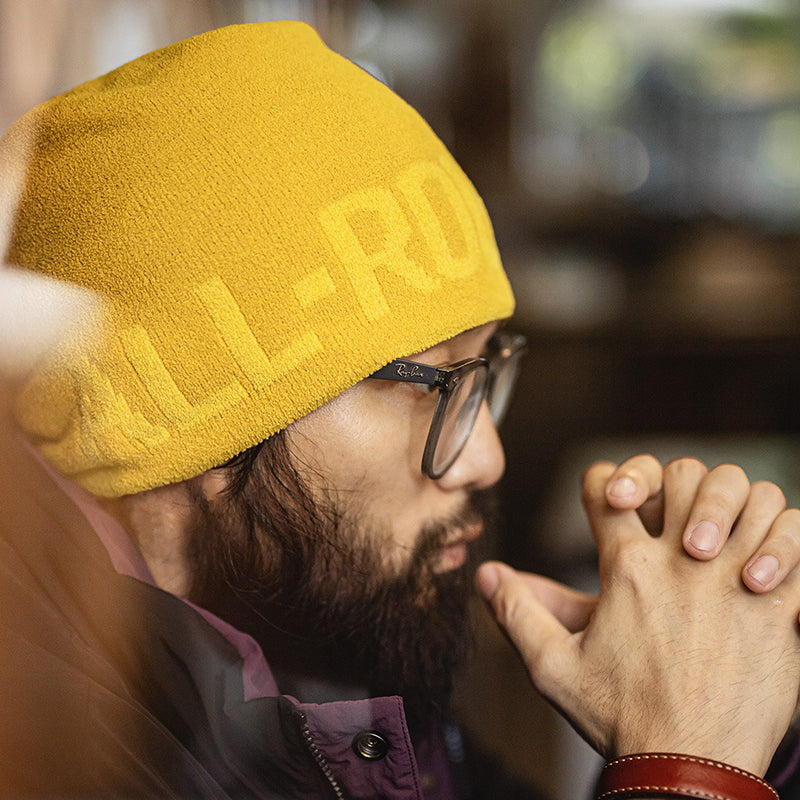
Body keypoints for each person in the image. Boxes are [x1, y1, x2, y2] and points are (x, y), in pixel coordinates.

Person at [1, 20, 799, 800]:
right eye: (433, 382)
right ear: (191, 419)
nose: (487, 455)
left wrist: (738, 696)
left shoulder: (311, 620)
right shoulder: (52, 752)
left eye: (486, 369)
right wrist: (690, 772)